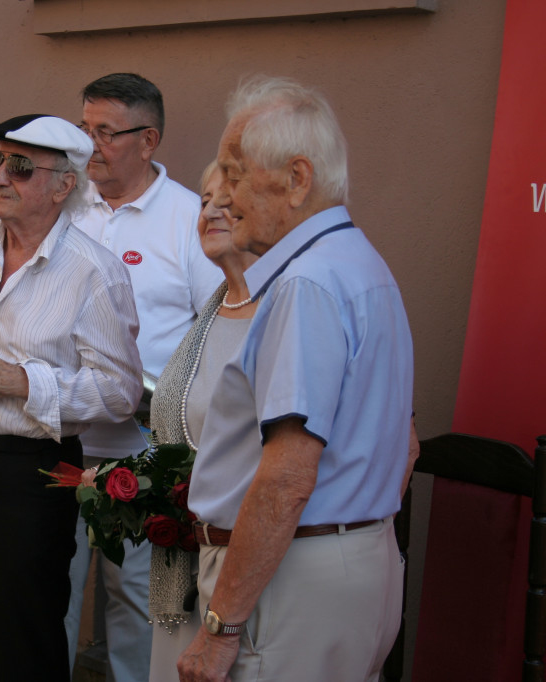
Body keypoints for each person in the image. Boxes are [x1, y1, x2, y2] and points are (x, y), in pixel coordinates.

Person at [177, 75, 413, 682]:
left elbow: (285, 477)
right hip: (354, 557)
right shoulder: (361, 263)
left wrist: (221, 629)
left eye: (235, 173)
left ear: (297, 178)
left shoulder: (305, 283)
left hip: (294, 579)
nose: (221, 196)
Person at [0, 114, 143, 682]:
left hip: (29, 473)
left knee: (27, 642)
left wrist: (27, 382)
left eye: (19, 167)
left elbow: (121, 392)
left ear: (64, 185)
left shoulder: (94, 272)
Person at [65, 72, 223, 682]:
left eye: (105, 132)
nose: (90, 145)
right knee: (50, 593)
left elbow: (214, 335)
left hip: (144, 458)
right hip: (59, 442)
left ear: (148, 139)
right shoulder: (64, 207)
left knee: (137, 608)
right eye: (84, 129)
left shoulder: (190, 219)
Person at [143, 161, 258, 682]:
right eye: (205, 197)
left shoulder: (280, 311)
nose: (208, 209)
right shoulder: (212, 311)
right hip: (184, 561)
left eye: (226, 198)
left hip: (244, 567)